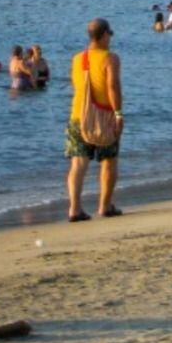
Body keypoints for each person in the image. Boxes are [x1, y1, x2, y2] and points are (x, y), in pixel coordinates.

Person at [65, 18, 123, 221]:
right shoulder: (110, 58)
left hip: (78, 115)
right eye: (109, 34)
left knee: (78, 163)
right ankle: (105, 206)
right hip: (104, 116)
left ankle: (74, 208)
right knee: (108, 160)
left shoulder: (77, 59)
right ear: (104, 35)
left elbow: (76, 85)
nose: (110, 39)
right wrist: (118, 114)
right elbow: (112, 87)